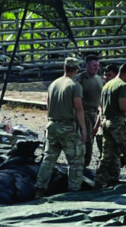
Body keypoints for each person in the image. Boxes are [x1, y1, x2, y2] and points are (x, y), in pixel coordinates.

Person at [34, 56, 87, 196]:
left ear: (64, 68)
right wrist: (83, 128)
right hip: (68, 127)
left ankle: (40, 188)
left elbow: (48, 105)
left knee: (48, 159)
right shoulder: (75, 86)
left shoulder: (53, 84)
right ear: (76, 70)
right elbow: (79, 108)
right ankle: (74, 192)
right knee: (75, 162)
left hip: (52, 125)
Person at [94, 63, 126, 189]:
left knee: (107, 156)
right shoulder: (122, 86)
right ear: (125, 73)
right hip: (117, 123)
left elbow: (102, 106)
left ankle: (99, 182)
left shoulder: (107, 86)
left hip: (105, 122)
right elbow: (122, 106)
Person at [74, 53, 104, 167]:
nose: (96, 68)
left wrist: (99, 120)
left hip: (94, 113)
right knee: (85, 140)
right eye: (93, 65)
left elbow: (101, 99)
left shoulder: (99, 79)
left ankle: (86, 163)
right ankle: (82, 164)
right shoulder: (80, 79)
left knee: (92, 139)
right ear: (87, 65)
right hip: (83, 113)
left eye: (98, 65)